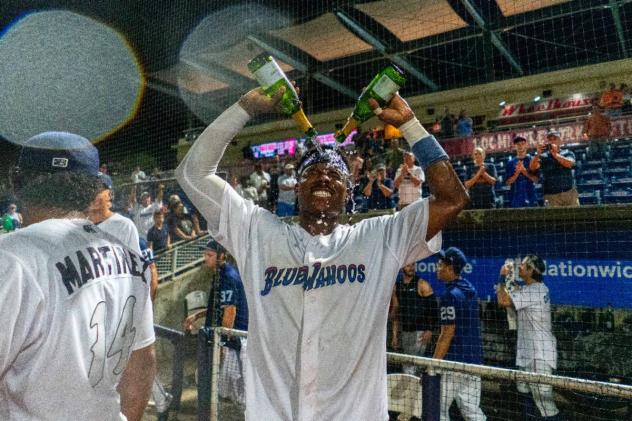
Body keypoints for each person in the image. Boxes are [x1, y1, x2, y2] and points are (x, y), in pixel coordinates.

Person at [175, 85, 468, 420]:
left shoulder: (379, 237)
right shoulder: (257, 232)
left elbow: (452, 199)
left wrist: (411, 126)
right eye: (312, 172)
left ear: (348, 193)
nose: (324, 176)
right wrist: (246, 107)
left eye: (334, 174)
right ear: (296, 188)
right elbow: (192, 174)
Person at [0, 131, 155, 420]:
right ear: (92, 190)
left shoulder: (11, 257)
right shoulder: (129, 256)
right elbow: (141, 366)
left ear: (18, 183)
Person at [183, 240, 249, 405]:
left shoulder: (228, 276)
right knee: (213, 385)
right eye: (205, 254)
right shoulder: (220, 274)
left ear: (221, 256)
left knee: (234, 395)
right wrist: (197, 315)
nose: (205, 258)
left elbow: (230, 311)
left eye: (210, 255)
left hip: (233, 342)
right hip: (227, 339)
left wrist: (221, 344)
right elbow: (218, 306)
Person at [496, 255, 561, 421]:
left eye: (524, 266)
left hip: (539, 355)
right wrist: (510, 279)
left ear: (532, 270)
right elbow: (517, 291)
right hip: (527, 353)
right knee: (525, 394)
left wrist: (502, 277)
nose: (520, 268)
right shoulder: (535, 288)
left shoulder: (535, 291)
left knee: (545, 404)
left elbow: (503, 301)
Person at [434, 247, 486, 421]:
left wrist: (433, 364)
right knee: (471, 410)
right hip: (474, 360)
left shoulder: (449, 296)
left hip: (454, 362)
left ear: (450, 269)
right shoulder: (469, 288)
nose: (437, 267)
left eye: (441, 264)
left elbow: (447, 334)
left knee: (437, 409)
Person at [390, 263, 438, 375]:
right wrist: (394, 335)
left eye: (413, 265)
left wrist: (430, 330)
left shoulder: (422, 284)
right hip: (405, 332)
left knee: (413, 368)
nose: (411, 268)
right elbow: (396, 313)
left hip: (420, 333)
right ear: (402, 268)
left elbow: (433, 309)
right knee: (407, 366)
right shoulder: (397, 287)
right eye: (408, 266)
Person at [529, 130, 578, 207]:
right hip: (551, 196)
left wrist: (555, 154)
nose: (552, 141)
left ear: (560, 141)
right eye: (550, 140)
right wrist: (537, 153)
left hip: (569, 193)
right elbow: (533, 168)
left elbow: (570, 164)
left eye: (554, 139)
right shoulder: (543, 156)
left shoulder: (567, 153)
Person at [505, 136, 539, 208]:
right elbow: (508, 182)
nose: (520, 146)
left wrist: (524, 171)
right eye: (518, 144)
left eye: (522, 143)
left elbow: (536, 180)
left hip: (531, 196)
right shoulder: (510, 163)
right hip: (516, 198)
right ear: (515, 146)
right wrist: (517, 173)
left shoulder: (532, 160)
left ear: (526, 145)